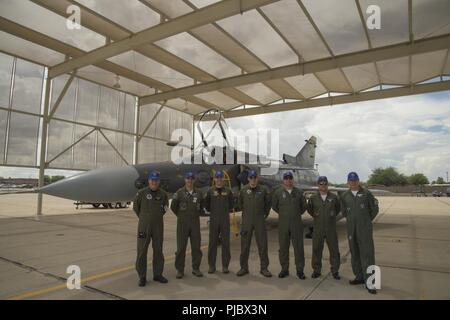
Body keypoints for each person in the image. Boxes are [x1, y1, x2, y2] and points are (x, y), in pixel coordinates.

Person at [340, 172, 379, 294]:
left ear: (358, 180)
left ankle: (371, 282)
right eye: (351, 180)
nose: (353, 182)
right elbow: (344, 212)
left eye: (355, 180)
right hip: (351, 229)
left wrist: (366, 221)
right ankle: (359, 277)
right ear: (348, 182)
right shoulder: (345, 195)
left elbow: (374, 209)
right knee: (355, 253)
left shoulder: (366, 193)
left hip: (364, 230)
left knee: (368, 254)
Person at [133, 171, 169, 287]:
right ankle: (142, 276)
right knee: (142, 251)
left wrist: (155, 218)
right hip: (144, 227)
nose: (154, 182)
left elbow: (165, 208)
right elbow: (136, 207)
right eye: (152, 180)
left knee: (158, 250)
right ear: (149, 181)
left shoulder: (163, 195)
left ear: (158, 182)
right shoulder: (141, 193)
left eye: (156, 180)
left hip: (158, 226)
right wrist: (145, 218)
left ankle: (157, 274)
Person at [271, 171, 307, 279]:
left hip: (296, 224)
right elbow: (275, 206)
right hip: (283, 224)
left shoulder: (299, 192)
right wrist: (285, 215)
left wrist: (294, 214)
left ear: (293, 180)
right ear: (283, 180)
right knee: (283, 247)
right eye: (286, 178)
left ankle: (300, 270)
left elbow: (303, 207)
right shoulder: (278, 193)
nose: (288, 180)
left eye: (290, 178)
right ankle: (284, 269)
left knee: (298, 248)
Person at [236, 170, 272, 277]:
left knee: (262, 244)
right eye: (251, 177)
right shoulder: (243, 190)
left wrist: (264, 214)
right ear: (248, 179)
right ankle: (243, 268)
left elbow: (268, 204)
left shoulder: (263, 190)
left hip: (259, 220)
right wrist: (247, 213)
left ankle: (264, 268)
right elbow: (240, 204)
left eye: (255, 177)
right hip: (247, 220)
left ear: (258, 178)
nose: (253, 180)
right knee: (245, 245)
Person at [171, 172, 204, 279]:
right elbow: (173, 207)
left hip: (195, 223)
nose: (189, 180)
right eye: (187, 178)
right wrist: (181, 216)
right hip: (182, 224)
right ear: (185, 180)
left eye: (191, 178)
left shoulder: (199, 193)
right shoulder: (179, 193)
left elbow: (201, 206)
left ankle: (196, 268)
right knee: (181, 248)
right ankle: (180, 270)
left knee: (196, 247)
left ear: (194, 180)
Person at [306, 176, 341, 280]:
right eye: (321, 183)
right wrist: (318, 217)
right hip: (318, 228)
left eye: (325, 183)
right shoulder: (313, 198)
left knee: (334, 250)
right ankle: (316, 270)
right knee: (316, 250)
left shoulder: (334, 198)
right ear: (318, 185)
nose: (323, 185)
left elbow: (337, 209)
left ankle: (335, 270)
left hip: (331, 228)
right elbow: (310, 210)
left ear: (327, 184)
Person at [204, 170, 234, 274]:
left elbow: (231, 205)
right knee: (212, 243)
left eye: (221, 178)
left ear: (223, 179)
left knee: (226, 243)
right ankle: (212, 266)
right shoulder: (210, 191)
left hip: (225, 220)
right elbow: (207, 205)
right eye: (217, 177)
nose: (219, 179)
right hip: (214, 220)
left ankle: (225, 266)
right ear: (214, 179)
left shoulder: (228, 191)